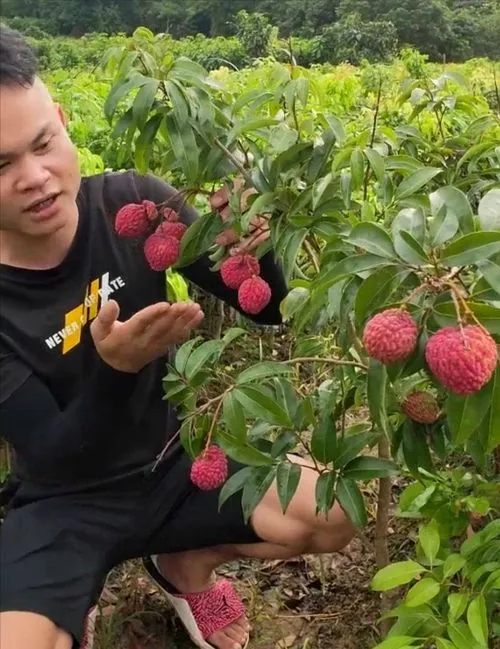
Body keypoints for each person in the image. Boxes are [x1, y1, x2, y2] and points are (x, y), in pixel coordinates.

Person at [0, 25, 356, 649]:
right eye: (1, 165)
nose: (34, 176)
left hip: (178, 462)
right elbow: (54, 453)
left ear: (60, 120)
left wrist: (254, 245)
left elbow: (267, 308)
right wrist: (116, 369)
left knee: (335, 511)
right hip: (65, 502)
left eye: (43, 144)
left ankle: (185, 566)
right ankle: (68, 597)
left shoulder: (137, 205)